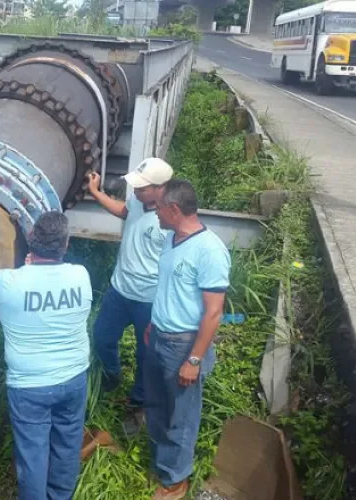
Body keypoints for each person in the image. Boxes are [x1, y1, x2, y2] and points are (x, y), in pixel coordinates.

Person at [0, 211, 93, 500]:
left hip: (30, 386)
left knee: (33, 454)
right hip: (73, 378)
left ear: (32, 240)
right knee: (67, 444)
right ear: (66, 244)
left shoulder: (10, 282)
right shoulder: (80, 275)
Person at [144, 179, 231, 500]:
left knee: (181, 416)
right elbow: (170, 289)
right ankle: (161, 461)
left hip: (183, 345)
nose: (155, 213)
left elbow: (213, 313)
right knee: (157, 404)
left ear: (174, 209)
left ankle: (175, 480)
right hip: (159, 337)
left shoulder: (209, 251)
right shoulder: (171, 239)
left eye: (158, 208)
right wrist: (154, 323)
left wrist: (194, 359)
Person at [86, 157, 173, 434]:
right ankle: (111, 377)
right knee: (102, 337)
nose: (136, 192)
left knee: (146, 354)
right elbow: (125, 211)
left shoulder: (171, 219)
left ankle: (138, 404)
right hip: (119, 290)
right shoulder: (138, 200)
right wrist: (97, 193)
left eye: (142, 188)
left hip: (149, 300)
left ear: (161, 188)